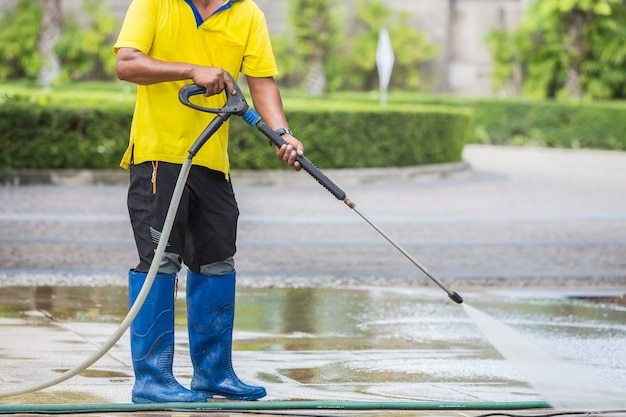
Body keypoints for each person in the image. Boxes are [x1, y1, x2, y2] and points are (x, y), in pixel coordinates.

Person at [113, 0, 304, 404]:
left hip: (213, 163)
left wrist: (282, 133)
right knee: (160, 261)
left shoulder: (248, 13)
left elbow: (262, 82)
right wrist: (189, 69)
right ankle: (152, 380)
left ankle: (214, 374)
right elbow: (127, 63)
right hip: (158, 157)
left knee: (217, 260)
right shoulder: (153, 3)